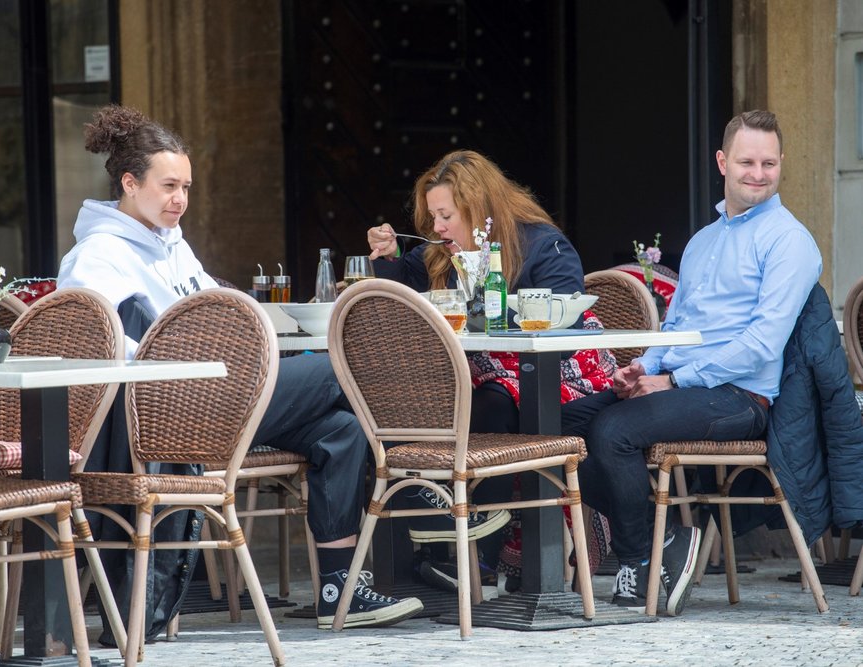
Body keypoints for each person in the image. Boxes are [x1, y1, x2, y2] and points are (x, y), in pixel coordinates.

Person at [57, 104, 422, 638]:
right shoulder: (97, 255)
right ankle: (433, 501)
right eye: (168, 186)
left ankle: (337, 588)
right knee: (343, 370)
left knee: (339, 429)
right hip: (172, 410)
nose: (179, 199)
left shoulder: (171, 246)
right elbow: (99, 347)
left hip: (221, 395)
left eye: (186, 186)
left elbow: (217, 307)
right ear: (130, 184)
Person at [561, 110, 823, 615]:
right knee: (557, 428)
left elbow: (762, 343)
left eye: (769, 162)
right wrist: (645, 369)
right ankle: (665, 546)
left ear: (781, 164)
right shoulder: (703, 242)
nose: (759, 172)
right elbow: (675, 324)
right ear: (723, 161)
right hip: (681, 384)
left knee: (614, 431)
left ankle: (641, 561)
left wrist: (673, 378)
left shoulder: (789, 241)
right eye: (747, 160)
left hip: (741, 397)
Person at [367, 149, 617, 587]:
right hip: (485, 378)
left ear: (477, 206)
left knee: (492, 397)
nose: (438, 227)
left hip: (562, 372)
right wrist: (386, 258)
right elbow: (399, 295)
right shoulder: (443, 252)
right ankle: (454, 534)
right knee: (423, 395)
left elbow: (564, 320)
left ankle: (469, 530)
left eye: (445, 215)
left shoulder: (543, 244)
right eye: (433, 218)